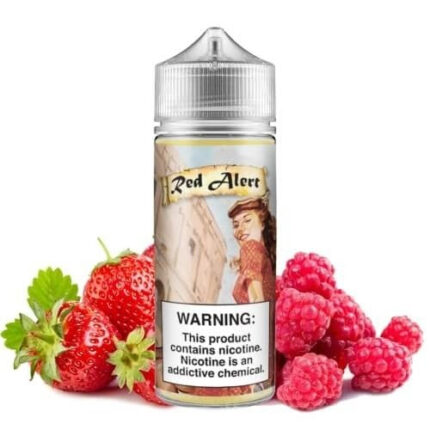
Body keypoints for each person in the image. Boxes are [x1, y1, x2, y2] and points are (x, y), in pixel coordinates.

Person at [228, 196, 276, 304]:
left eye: (247, 220)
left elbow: (256, 300)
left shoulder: (251, 247)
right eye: (236, 225)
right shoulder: (266, 257)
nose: (240, 229)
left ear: (262, 224)